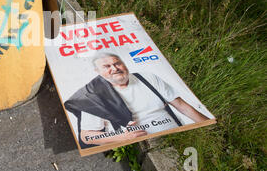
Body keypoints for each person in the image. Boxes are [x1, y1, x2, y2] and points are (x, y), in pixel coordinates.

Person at [64, 52, 210, 149]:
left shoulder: (146, 77)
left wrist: (208, 126)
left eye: (117, 63)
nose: (115, 68)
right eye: (107, 66)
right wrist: (122, 137)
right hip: (143, 145)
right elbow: (87, 136)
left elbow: (182, 106)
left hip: (178, 136)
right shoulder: (94, 96)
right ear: (98, 72)